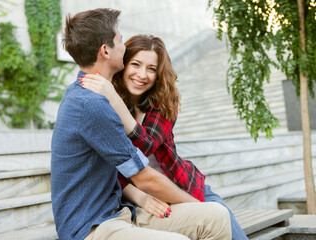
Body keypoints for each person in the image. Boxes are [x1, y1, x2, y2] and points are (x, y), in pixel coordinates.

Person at [51, 8, 232, 240]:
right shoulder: (90, 104)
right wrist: (190, 204)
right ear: (105, 50)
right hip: (92, 226)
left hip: (123, 211)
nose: (124, 46)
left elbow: (139, 153)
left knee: (216, 216)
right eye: (119, 40)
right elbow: (143, 177)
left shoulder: (101, 97)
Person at [80, 34, 248, 239]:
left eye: (151, 68)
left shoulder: (165, 100)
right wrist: (139, 196)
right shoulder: (103, 106)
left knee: (233, 234)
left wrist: (115, 100)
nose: (142, 75)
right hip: (141, 200)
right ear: (123, 64)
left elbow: (146, 144)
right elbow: (111, 167)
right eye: (136, 64)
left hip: (182, 185)